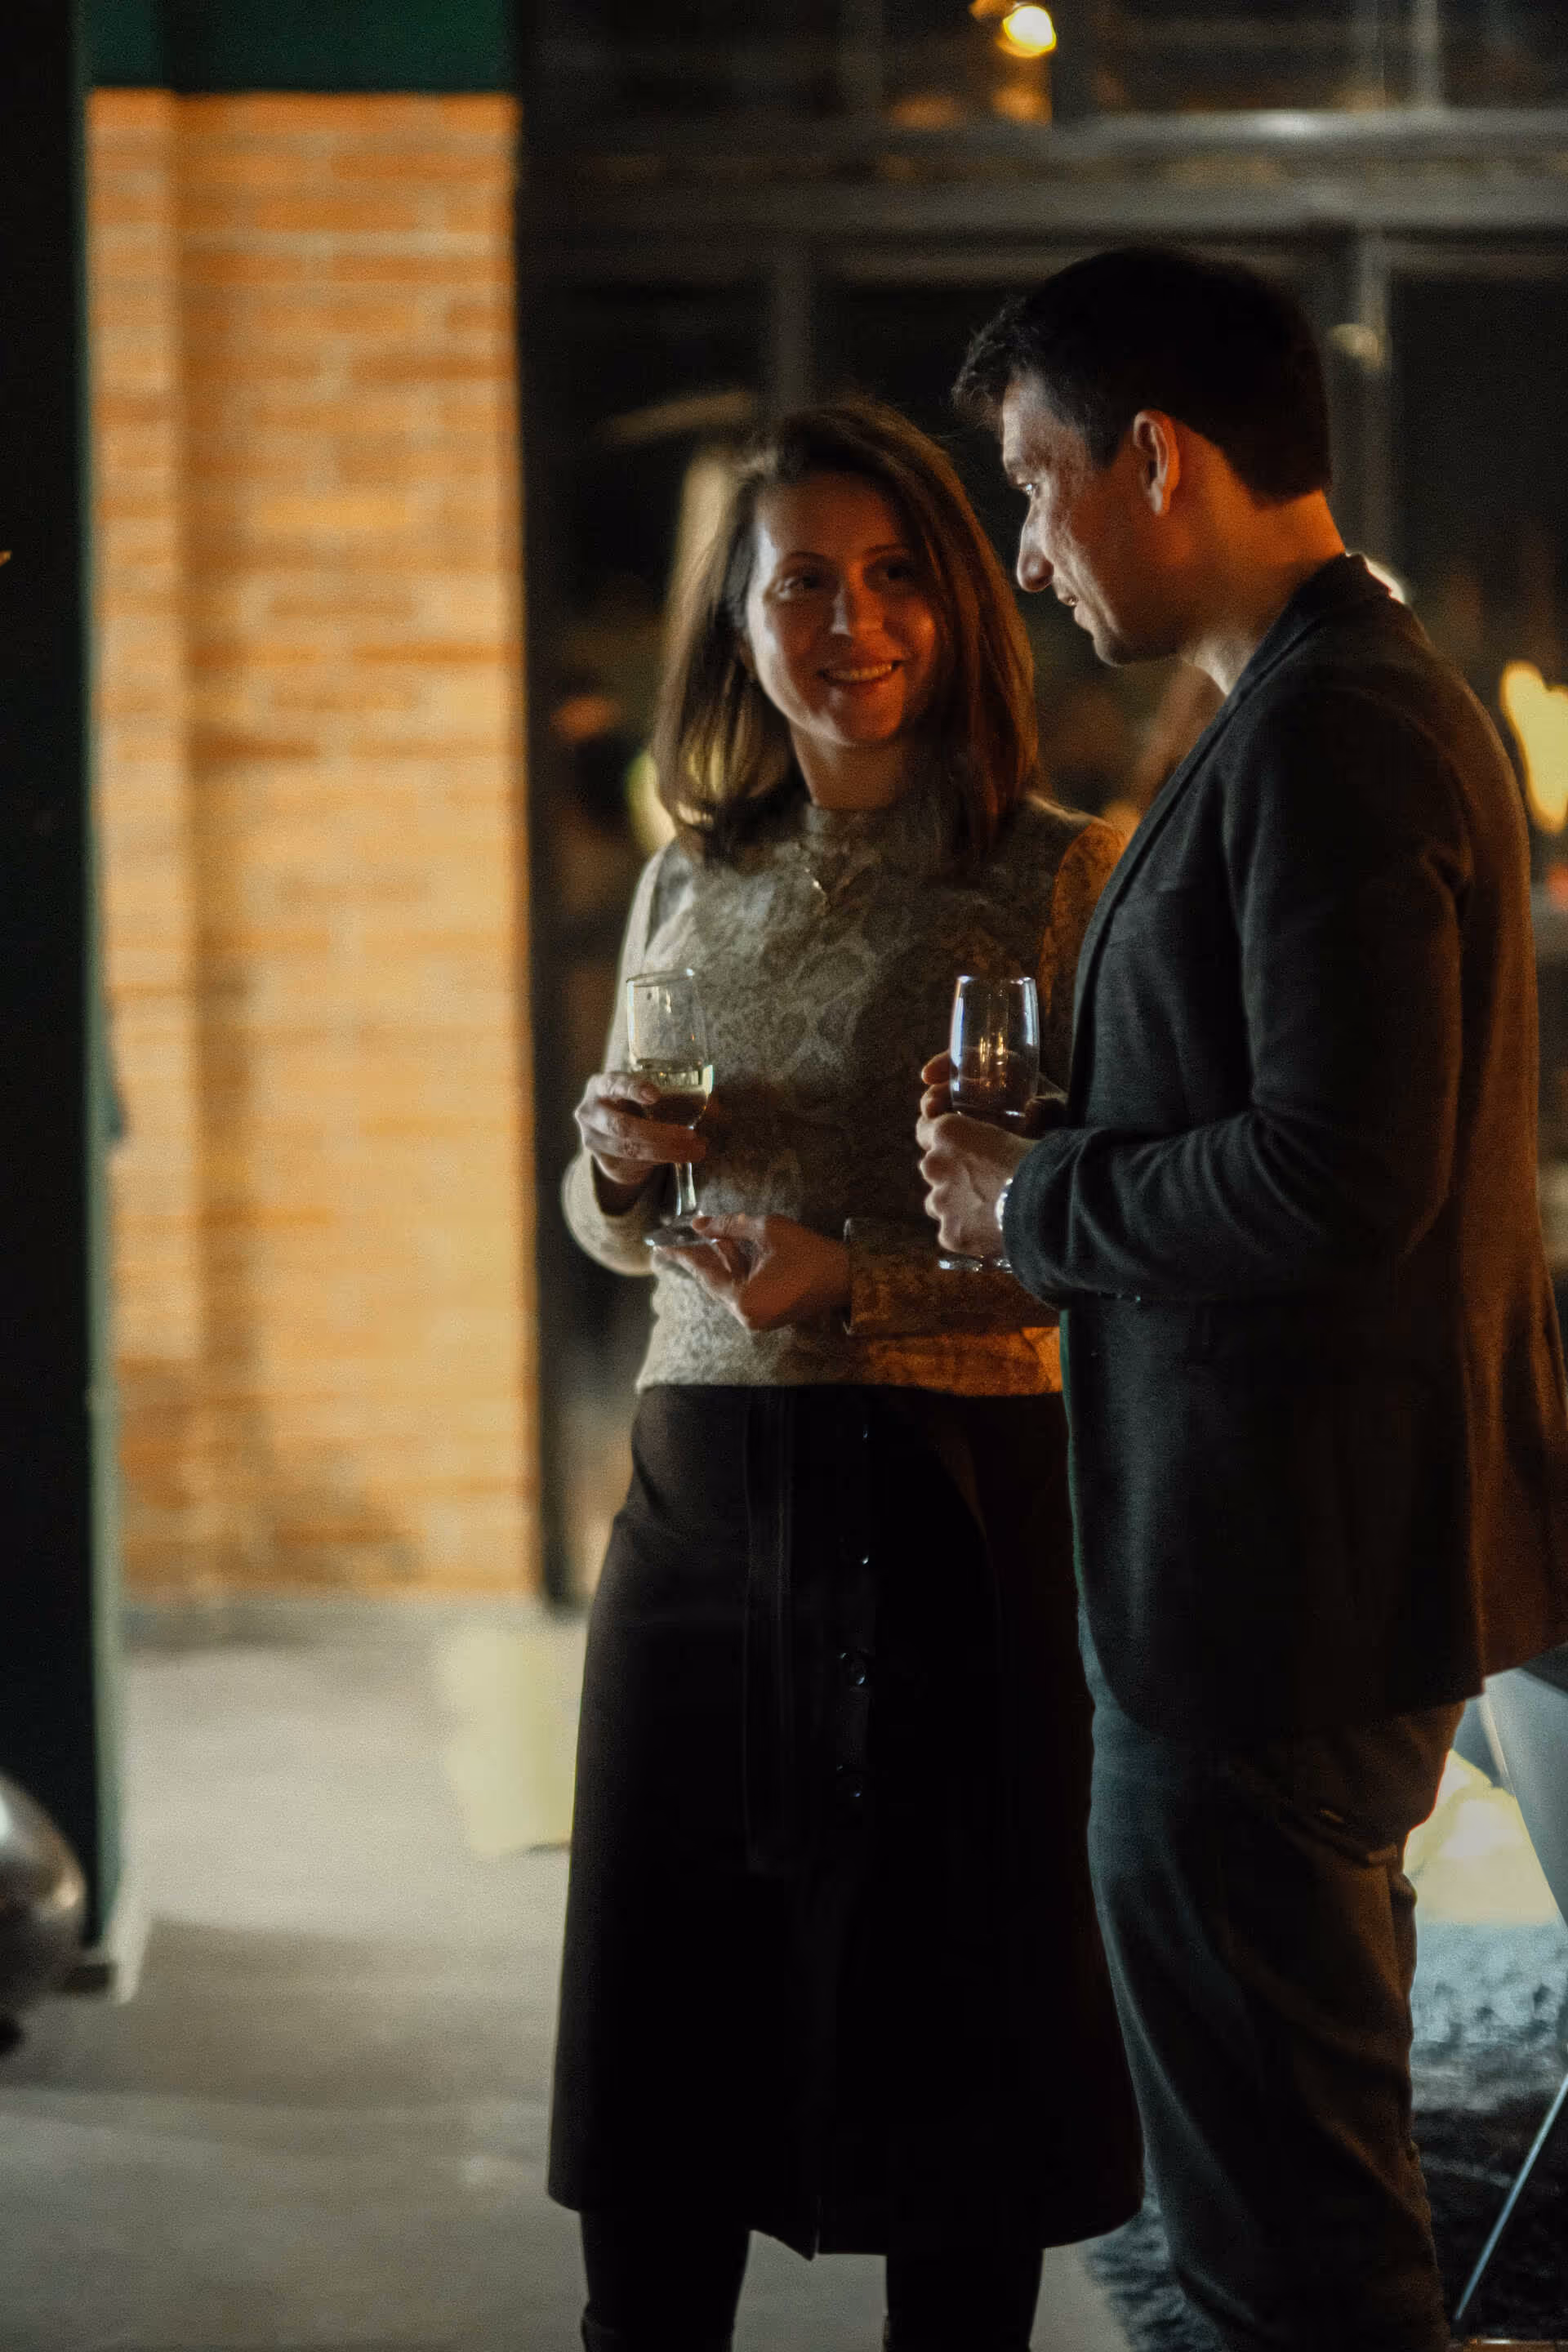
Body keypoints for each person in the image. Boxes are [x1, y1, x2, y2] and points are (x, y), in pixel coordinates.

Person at [917, 244, 1568, 2352]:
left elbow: (1340, 1172)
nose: (1028, 555)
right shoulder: (1320, 700)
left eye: (1035, 488)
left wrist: (1037, 1199)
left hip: (1272, 1601)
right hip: (1299, 1581)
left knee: (1288, 2256)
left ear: (1158, 460)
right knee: (1295, 2199)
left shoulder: (1335, 730)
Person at [549, 396, 1142, 2352]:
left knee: (955, 2102)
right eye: (802, 582)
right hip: (695, 1522)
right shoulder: (684, 880)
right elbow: (616, 1232)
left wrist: (856, 1290)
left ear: (963, 607)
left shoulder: (1065, 879)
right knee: (661, 2096)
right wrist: (615, 1170)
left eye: (896, 578)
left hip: (952, 1510)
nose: (853, 623)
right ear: (738, 623)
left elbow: (1104, 1260)